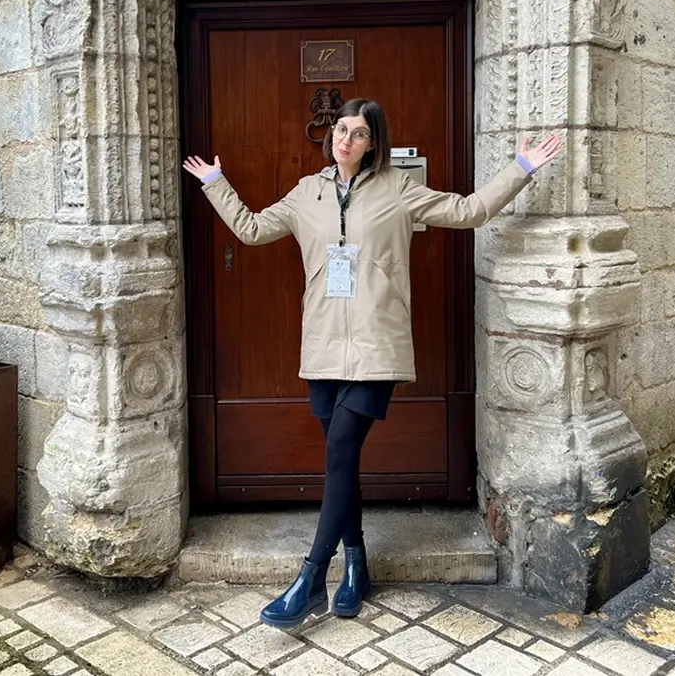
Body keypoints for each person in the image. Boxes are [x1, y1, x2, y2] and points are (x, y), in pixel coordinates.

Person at [182, 98, 561, 629]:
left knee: (339, 449)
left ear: (373, 143)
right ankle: (356, 565)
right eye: (341, 130)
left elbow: (469, 211)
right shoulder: (305, 193)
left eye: (358, 134)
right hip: (322, 347)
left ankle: (312, 575)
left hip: (377, 347)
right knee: (342, 462)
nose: (345, 140)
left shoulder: (399, 190)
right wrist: (216, 184)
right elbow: (250, 229)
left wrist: (521, 167)